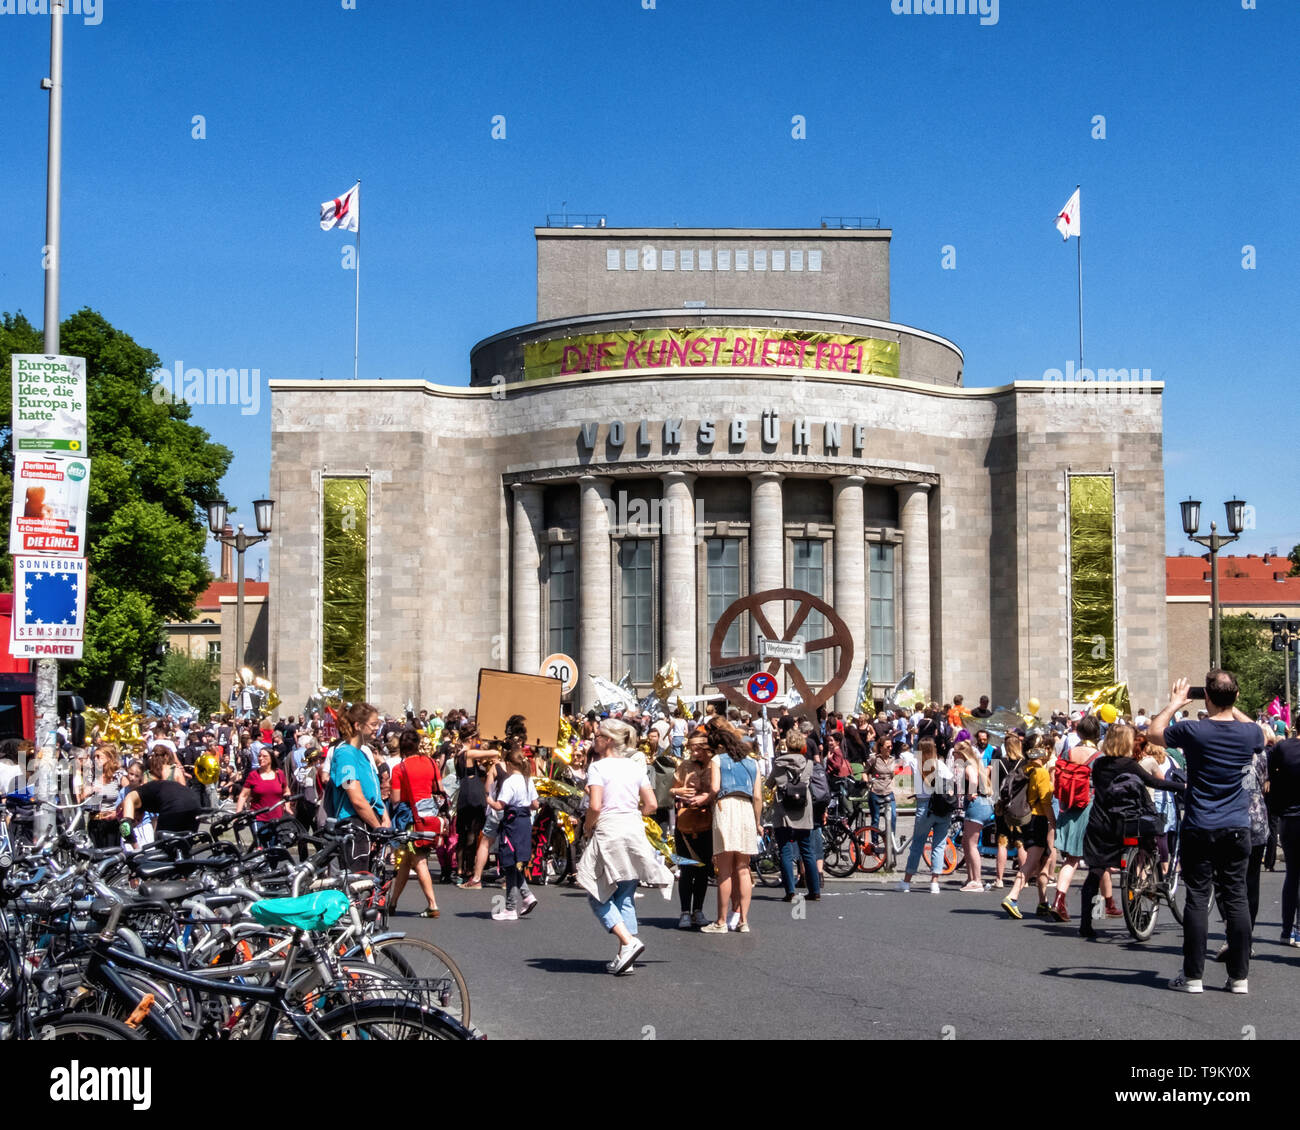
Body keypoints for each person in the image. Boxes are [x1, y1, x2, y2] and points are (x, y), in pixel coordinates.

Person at [1149, 673, 1262, 994]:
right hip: (1237, 826)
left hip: (1200, 824)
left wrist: (1175, 702)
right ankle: (1239, 977)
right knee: (1237, 898)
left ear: (1206, 698)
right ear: (1237, 695)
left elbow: (1154, 732)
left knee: (1197, 899)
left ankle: (1193, 976)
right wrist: (1230, 704)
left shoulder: (1193, 729)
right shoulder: (1249, 733)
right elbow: (1258, 730)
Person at [575, 719, 671, 975]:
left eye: (597, 737)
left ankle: (628, 943)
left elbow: (595, 806)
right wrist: (632, 811)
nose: (594, 740)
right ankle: (624, 956)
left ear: (607, 740)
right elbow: (651, 805)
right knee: (625, 896)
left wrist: (587, 827)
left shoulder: (598, 768)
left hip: (610, 830)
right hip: (634, 830)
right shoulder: (634, 766)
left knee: (596, 893)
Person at [1076, 722, 1183, 938]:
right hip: (1124, 823)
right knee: (1138, 865)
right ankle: (1138, 909)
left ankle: (1085, 923)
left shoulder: (1098, 765)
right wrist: (1182, 787)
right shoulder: (1129, 765)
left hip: (1100, 822)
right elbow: (1154, 782)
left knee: (1095, 872)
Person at [700, 720, 763, 933]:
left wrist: (706, 798)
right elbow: (757, 797)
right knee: (744, 869)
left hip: (725, 807)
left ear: (719, 746)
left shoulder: (718, 760)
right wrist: (757, 822)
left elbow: (715, 787)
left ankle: (721, 921)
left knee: (724, 869)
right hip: (746, 808)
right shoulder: (753, 763)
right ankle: (744, 920)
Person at [1049, 713, 1103, 920]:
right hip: (1090, 807)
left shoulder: (1068, 753)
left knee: (1070, 860)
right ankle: (1099, 908)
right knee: (1098, 862)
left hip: (1068, 807)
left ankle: (1058, 900)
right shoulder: (1098, 757)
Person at [326, 701, 389, 872]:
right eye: (374, 724)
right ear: (358, 725)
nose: (377, 728)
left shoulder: (363, 753)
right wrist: (378, 827)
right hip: (354, 825)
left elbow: (373, 794)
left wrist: (384, 817)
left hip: (369, 822)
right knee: (358, 882)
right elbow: (356, 798)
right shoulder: (345, 753)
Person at [389, 729, 444, 918]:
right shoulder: (430, 762)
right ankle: (393, 902)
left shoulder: (399, 769)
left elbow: (396, 798)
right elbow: (439, 789)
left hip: (410, 817)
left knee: (419, 860)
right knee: (406, 861)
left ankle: (433, 904)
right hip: (429, 815)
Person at [999, 733, 1055, 919]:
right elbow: (1045, 801)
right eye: (1043, 747)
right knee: (1032, 862)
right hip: (1038, 819)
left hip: (1027, 818)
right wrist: (1053, 823)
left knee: (1043, 862)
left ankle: (1043, 901)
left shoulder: (1026, 768)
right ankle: (1012, 896)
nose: (1047, 750)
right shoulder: (1041, 772)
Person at [489, 742, 540, 922]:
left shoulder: (510, 782)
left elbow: (500, 805)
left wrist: (488, 798)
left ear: (509, 764)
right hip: (525, 822)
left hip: (512, 823)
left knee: (509, 861)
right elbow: (535, 804)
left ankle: (524, 896)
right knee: (515, 863)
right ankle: (513, 905)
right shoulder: (528, 780)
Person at [767, 729, 819, 903]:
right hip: (804, 811)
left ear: (787, 745)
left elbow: (769, 784)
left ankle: (790, 892)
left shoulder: (779, 763)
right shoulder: (809, 764)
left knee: (786, 852)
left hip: (783, 812)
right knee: (808, 852)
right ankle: (815, 890)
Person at [899, 738, 955, 895]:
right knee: (939, 845)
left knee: (917, 844)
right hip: (941, 807)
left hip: (924, 806)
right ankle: (934, 882)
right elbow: (951, 783)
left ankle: (907, 881)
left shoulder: (915, 763)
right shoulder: (940, 765)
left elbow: (903, 755)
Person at [670, 729, 714, 928]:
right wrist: (679, 791)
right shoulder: (684, 765)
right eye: (691, 749)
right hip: (685, 824)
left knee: (703, 870)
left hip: (706, 822)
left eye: (699, 749)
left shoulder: (714, 765)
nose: (694, 753)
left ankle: (698, 910)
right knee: (686, 869)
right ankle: (685, 911)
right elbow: (671, 789)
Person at [1266, 725, 1300, 947]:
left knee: (1292, 875)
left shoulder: (1282, 748)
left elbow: (1268, 773)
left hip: (1289, 818)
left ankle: (1287, 929)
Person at [236, 745, 293, 846]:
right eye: (259, 756)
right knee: (261, 848)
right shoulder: (253, 775)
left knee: (275, 851)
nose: (260, 758)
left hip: (276, 819)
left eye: (264, 756)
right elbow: (243, 795)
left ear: (271, 758)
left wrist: (287, 806)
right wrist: (238, 814)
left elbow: (286, 791)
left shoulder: (279, 774)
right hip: (258, 818)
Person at [957, 740, 993, 891]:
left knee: (971, 844)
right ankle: (971, 878)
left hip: (976, 805)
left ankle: (977, 881)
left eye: (955, 753)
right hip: (984, 804)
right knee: (967, 842)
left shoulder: (968, 766)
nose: (954, 755)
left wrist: (971, 792)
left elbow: (973, 779)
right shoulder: (976, 763)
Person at [121, 776, 202, 836]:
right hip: (194, 802)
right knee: (185, 846)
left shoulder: (130, 797)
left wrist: (136, 848)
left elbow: (125, 827)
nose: (138, 822)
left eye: (135, 820)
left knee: (162, 846)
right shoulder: (147, 796)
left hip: (176, 803)